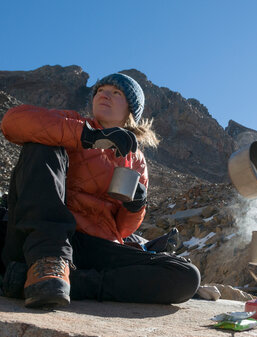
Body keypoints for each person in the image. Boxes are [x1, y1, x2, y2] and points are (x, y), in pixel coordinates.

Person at [1, 73, 200, 309]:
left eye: (116, 93)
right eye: (101, 90)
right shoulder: (72, 123)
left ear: (131, 111)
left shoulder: (136, 159)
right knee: (42, 142)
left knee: (185, 275)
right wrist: (88, 136)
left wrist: (136, 206)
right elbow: (12, 122)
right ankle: (47, 263)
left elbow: (123, 229)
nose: (105, 94)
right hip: (45, 237)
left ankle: (67, 282)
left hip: (98, 247)